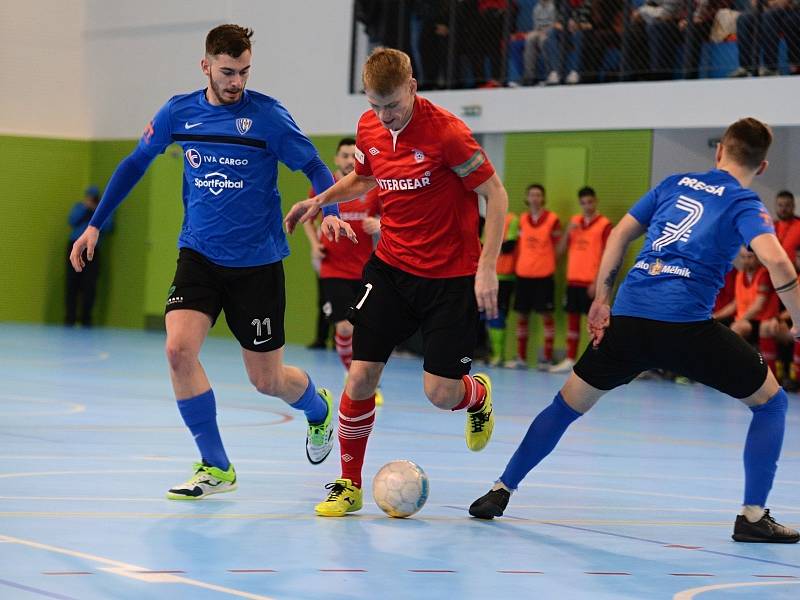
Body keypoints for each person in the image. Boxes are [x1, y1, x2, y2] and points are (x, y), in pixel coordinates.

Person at [469, 117, 800, 544]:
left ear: (720, 151)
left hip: (628, 321)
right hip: (687, 331)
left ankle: (501, 490)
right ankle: (753, 516)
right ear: (764, 166)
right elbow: (777, 262)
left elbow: (620, 234)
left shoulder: (674, 182)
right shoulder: (743, 202)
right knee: (771, 405)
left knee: (565, 406)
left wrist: (602, 299)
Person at [70, 24, 358, 500]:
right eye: (227, 72)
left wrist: (330, 211)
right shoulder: (178, 112)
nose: (236, 82)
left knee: (267, 380)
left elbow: (314, 166)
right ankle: (216, 465)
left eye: (244, 72)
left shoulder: (267, 117)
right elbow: (134, 164)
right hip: (199, 255)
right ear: (205, 66)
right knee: (178, 350)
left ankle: (319, 408)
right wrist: (96, 224)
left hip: (258, 263)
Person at [285, 47, 508, 517]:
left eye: (392, 105)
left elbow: (495, 193)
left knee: (440, 393)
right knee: (361, 374)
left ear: (412, 86)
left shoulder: (448, 133)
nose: (384, 116)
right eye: (374, 105)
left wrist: (487, 265)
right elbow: (363, 179)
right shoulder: (370, 128)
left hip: (449, 277)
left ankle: (477, 394)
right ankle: (347, 484)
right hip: (390, 268)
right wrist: (321, 201)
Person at [302, 138, 384, 403]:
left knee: (365, 329)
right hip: (333, 269)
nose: (350, 160)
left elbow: (392, 217)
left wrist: (379, 224)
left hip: (364, 270)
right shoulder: (325, 186)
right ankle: (355, 377)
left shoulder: (372, 187)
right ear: (337, 159)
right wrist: (315, 245)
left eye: (354, 155)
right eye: (345, 156)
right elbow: (307, 218)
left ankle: (361, 377)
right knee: (345, 327)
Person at [550, 186, 612, 373]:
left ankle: (596, 360)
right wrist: (568, 231)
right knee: (573, 321)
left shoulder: (604, 225)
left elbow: (609, 255)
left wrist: (597, 282)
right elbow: (558, 252)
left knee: (595, 324)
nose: (587, 206)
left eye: (590, 202)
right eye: (583, 203)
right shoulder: (574, 223)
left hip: (592, 282)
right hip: (573, 280)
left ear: (596, 201)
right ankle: (570, 358)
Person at [506, 184, 561, 370]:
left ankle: (545, 358)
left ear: (543, 198)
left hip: (543, 274)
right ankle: (521, 358)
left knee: (546, 315)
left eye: (538, 195)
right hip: (523, 274)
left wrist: (550, 262)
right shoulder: (521, 219)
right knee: (522, 315)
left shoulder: (552, 220)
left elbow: (559, 247)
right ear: (527, 198)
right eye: (532, 195)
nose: (535, 198)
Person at [65, 185, 111, 327]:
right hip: (75, 247)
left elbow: (109, 226)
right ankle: (70, 317)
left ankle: (86, 318)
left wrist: (96, 212)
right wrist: (86, 208)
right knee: (72, 283)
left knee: (89, 284)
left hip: (92, 250)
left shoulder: (103, 209)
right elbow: (72, 220)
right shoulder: (80, 207)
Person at [729, 247, 780, 373]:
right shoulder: (740, 275)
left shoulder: (764, 274)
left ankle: (771, 373)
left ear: (758, 257)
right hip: (747, 320)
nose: (746, 261)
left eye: (750, 257)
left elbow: (759, 305)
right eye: (743, 257)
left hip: (762, 320)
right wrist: (715, 316)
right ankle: (736, 370)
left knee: (740, 327)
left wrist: (741, 319)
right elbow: (735, 303)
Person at [487, 211, 519, 366]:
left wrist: (489, 248)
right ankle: (493, 353)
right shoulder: (486, 218)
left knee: (498, 315)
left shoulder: (511, 219)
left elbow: (509, 246)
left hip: (505, 277)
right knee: (488, 316)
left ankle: (500, 355)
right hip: (486, 275)